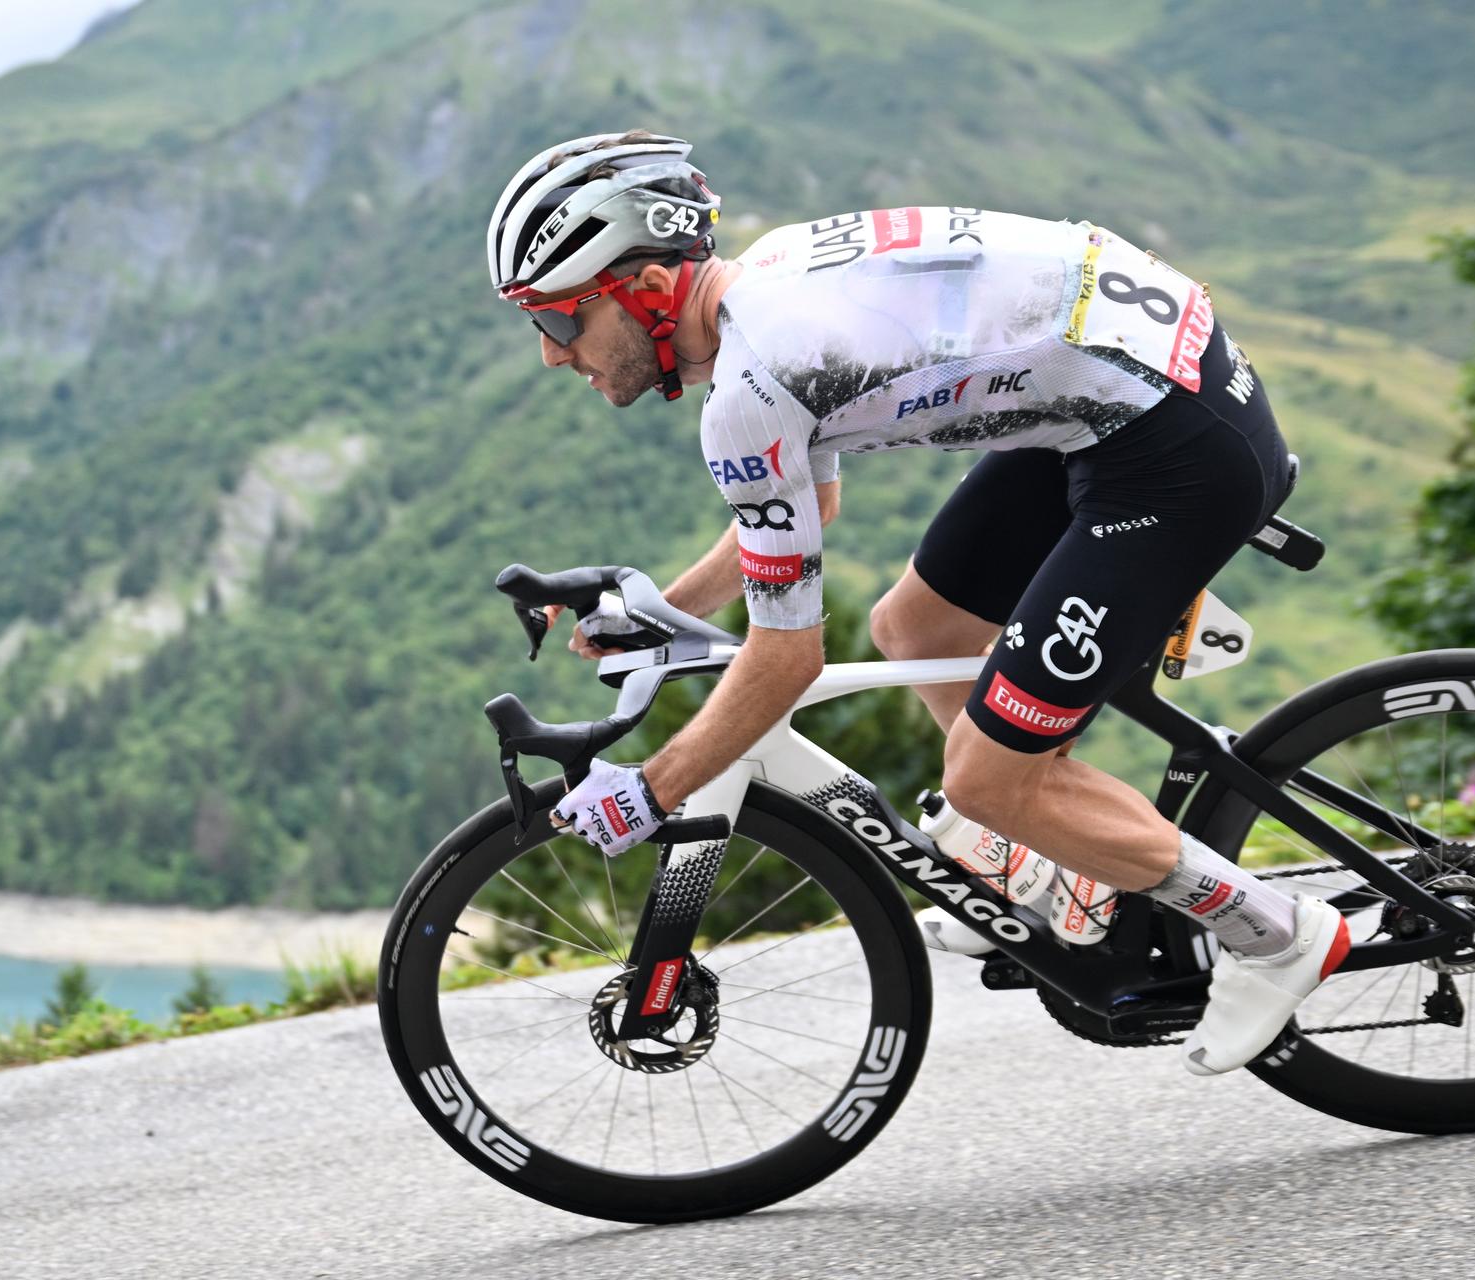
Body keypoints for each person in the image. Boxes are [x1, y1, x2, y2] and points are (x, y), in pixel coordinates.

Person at [485, 131, 1349, 1076]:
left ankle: (1277, 934)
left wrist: (654, 789)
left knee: (988, 778)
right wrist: (668, 604)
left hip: (1175, 447)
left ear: (647, 291)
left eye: (562, 322)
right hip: (1118, 398)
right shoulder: (756, 289)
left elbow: (786, 658)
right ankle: (1041, 860)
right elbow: (806, 504)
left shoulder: (753, 383)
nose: (549, 355)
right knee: (915, 628)